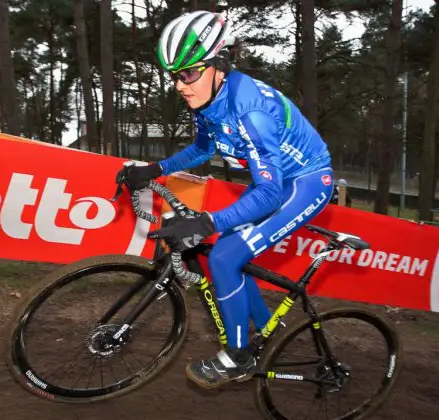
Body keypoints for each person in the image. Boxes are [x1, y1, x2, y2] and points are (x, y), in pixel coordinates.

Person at [116, 10, 334, 390]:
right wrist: (154, 169)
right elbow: (203, 148)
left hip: (306, 184)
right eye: (174, 75)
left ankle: (237, 356)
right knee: (228, 251)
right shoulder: (211, 101)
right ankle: (269, 329)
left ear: (219, 65)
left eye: (188, 73)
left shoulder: (249, 110)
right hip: (275, 182)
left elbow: (267, 193)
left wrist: (206, 222)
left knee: (223, 255)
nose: (180, 85)